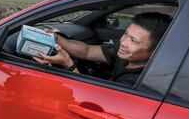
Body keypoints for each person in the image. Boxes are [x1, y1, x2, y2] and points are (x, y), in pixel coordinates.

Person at [34, 12, 171, 86]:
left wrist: (68, 64)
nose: (123, 42)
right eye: (126, 34)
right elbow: (87, 50)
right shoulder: (125, 52)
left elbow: (90, 100)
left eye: (133, 41)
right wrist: (57, 39)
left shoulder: (139, 81)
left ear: (156, 50)